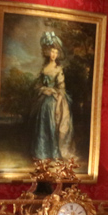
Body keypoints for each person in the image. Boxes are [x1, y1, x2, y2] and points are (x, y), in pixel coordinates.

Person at [31, 31, 74, 161]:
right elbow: (38, 85)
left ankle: (54, 152)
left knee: (52, 116)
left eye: (56, 52)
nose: (53, 54)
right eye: (51, 51)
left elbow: (61, 88)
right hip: (44, 98)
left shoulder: (58, 69)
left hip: (56, 99)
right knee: (41, 116)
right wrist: (44, 90)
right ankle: (42, 153)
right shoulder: (44, 68)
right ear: (47, 52)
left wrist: (54, 94)